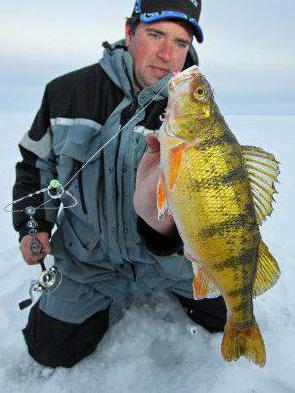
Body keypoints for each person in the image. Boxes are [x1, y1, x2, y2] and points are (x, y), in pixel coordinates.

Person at [13, 0, 227, 368]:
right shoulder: (66, 92)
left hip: (166, 260)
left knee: (223, 317)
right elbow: (35, 166)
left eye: (180, 42)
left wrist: (175, 235)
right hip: (89, 259)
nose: (166, 54)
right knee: (50, 351)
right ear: (129, 33)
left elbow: (211, 193)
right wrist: (33, 226)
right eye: (155, 34)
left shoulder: (193, 110)